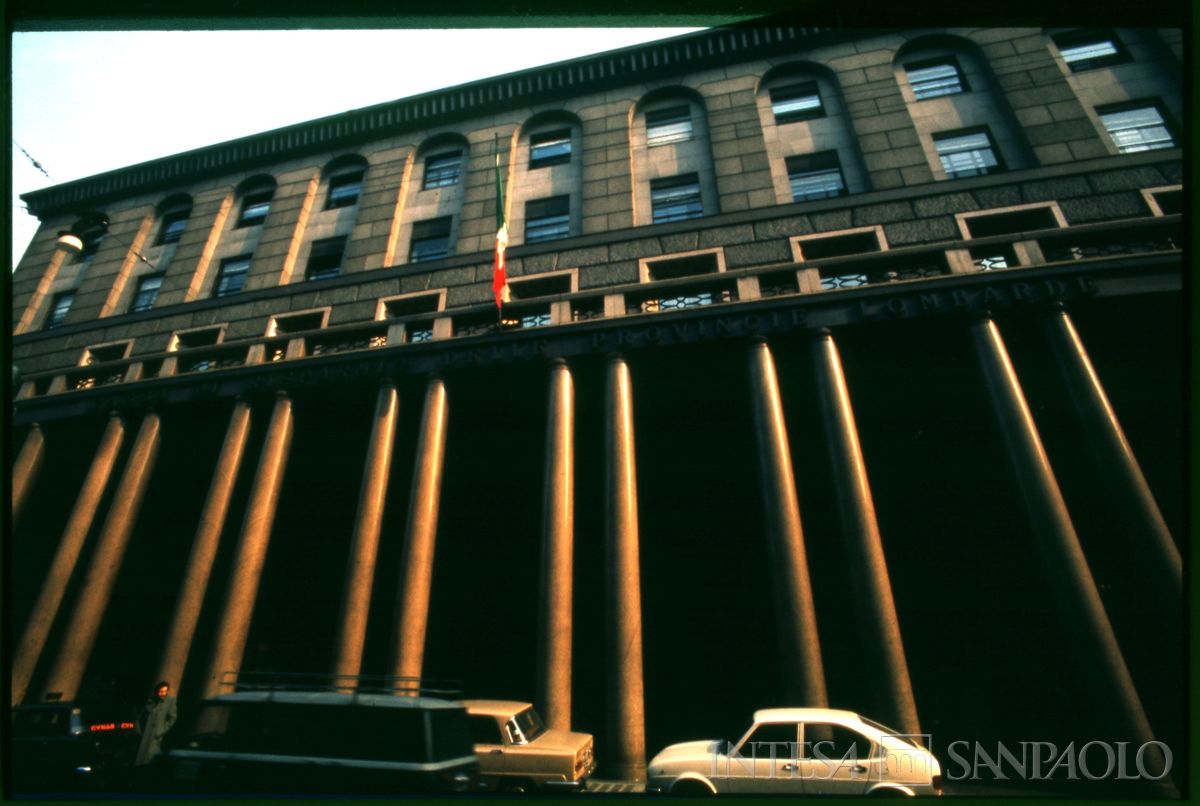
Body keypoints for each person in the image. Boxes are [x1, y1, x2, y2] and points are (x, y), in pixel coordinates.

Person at [135, 681, 177, 766]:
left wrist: (161, 730)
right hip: (144, 734)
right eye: (161, 691)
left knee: (150, 759)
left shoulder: (170, 701)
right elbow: (140, 717)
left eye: (165, 691)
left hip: (156, 736)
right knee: (140, 758)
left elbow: (172, 718)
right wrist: (139, 730)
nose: (163, 693)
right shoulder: (150, 700)